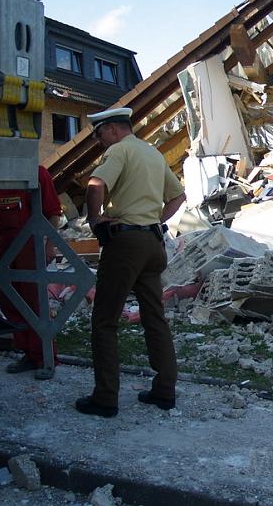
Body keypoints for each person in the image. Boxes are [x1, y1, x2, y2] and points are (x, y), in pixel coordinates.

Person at [75, 107, 185, 418]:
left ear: (110, 129)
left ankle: (105, 397)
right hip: (153, 243)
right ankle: (165, 391)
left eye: (99, 135)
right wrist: (154, 221)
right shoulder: (152, 154)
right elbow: (178, 197)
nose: (99, 142)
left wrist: (95, 220)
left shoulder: (119, 151)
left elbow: (95, 186)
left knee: (105, 321)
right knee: (155, 317)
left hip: (125, 244)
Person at [0, 165, 62, 379]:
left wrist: (49, 244)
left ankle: (45, 356)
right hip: (5, 246)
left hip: (29, 247)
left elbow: (53, 212)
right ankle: (28, 353)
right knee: (10, 301)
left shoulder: (36, 172)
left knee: (34, 301)